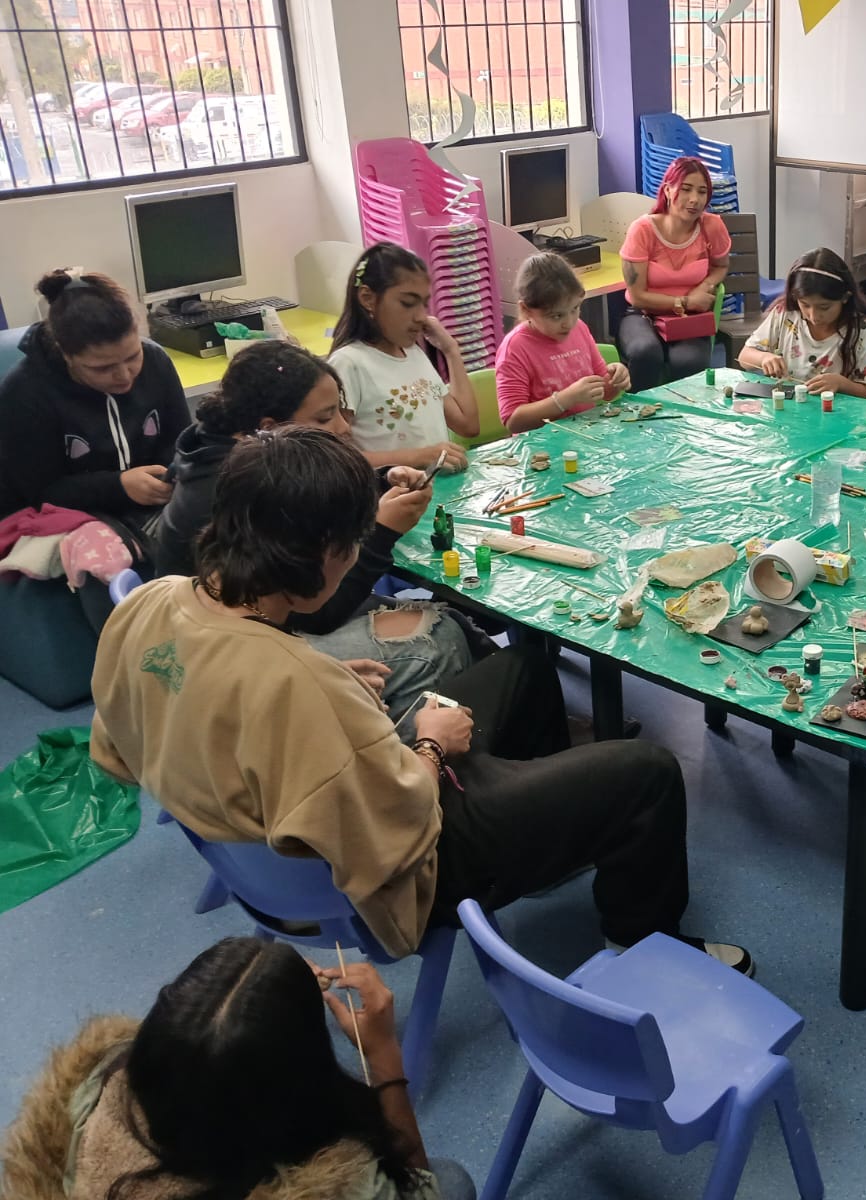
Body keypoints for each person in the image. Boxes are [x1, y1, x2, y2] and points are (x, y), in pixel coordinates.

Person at [89, 426, 751, 976]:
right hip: (400, 861)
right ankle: (641, 943)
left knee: (522, 667)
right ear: (326, 553)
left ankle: (556, 836)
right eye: (353, 546)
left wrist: (333, 689)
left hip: (271, 828)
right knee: (649, 771)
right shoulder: (297, 681)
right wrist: (430, 745)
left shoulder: (154, 599)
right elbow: (398, 821)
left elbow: (131, 732)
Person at [151, 340, 474, 735]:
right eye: (323, 419)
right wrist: (382, 531)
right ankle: (414, 746)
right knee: (440, 636)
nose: (342, 426)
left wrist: (375, 482)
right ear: (270, 430)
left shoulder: (235, 454)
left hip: (237, 637)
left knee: (445, 617)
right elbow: (315, 609)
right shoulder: (238, 490)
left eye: (340, 409)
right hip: (231, 664)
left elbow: (306, 502)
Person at [0, 937, 475, 1200]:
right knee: (451, 1181)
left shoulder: (94, 1091)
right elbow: (419, 1188)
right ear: (291, 1089)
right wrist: (384, 1057)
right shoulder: (348, 1187)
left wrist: (257, 1012)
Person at [0, 270, 190, 626]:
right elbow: (40, 492)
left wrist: (173, 474)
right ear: (66, 354)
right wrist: (120, 485)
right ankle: (127, 654)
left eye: (132, 356)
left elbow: (180, 442)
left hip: (140, 498)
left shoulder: (156, 362)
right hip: (53, 510)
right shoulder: (24, 393)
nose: (125, 375)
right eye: (102, 368)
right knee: (104, 560)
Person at [329, 242, 479, 472]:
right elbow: (335, 461)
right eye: (408, 303)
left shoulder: (413, 353)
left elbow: (467, 424)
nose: (421, 316)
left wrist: (451, 351)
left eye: (424, 304)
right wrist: (419, 456)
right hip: (390, 500)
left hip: (433, 493)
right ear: (368, 298)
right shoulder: (349, 363)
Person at [616, 156, 731, 391]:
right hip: (642, 314)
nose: (694, 200)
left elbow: (721, 266)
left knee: (688, 361)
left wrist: (705, 286)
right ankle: (638, 414)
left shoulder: (712, 226)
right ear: (668, 190)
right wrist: (686, 300)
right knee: (645, 352)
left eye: (702, 192)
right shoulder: (642, 230)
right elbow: (637, 296)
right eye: (686, 189)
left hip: (688, 319)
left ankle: (684, 420)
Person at [495, 251, 630, 434]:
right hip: (542, 445)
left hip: (586, 434)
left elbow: (604, 392)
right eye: (556, 316)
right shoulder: (515, 348)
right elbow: (513, 421)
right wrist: (565, 399)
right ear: (526, 310)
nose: (569, 322)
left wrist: (616, 379)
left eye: (575, 308)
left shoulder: (579, 328)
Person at [737, 247, 866, 399]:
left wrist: (841, 384)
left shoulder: (862, 330)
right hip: (786, 410)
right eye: (805, 304)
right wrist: (764, 358)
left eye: (824, 307)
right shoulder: (785, 315)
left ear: (845, 298)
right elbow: (744, 357)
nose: (814, 316)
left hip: (835, 414)